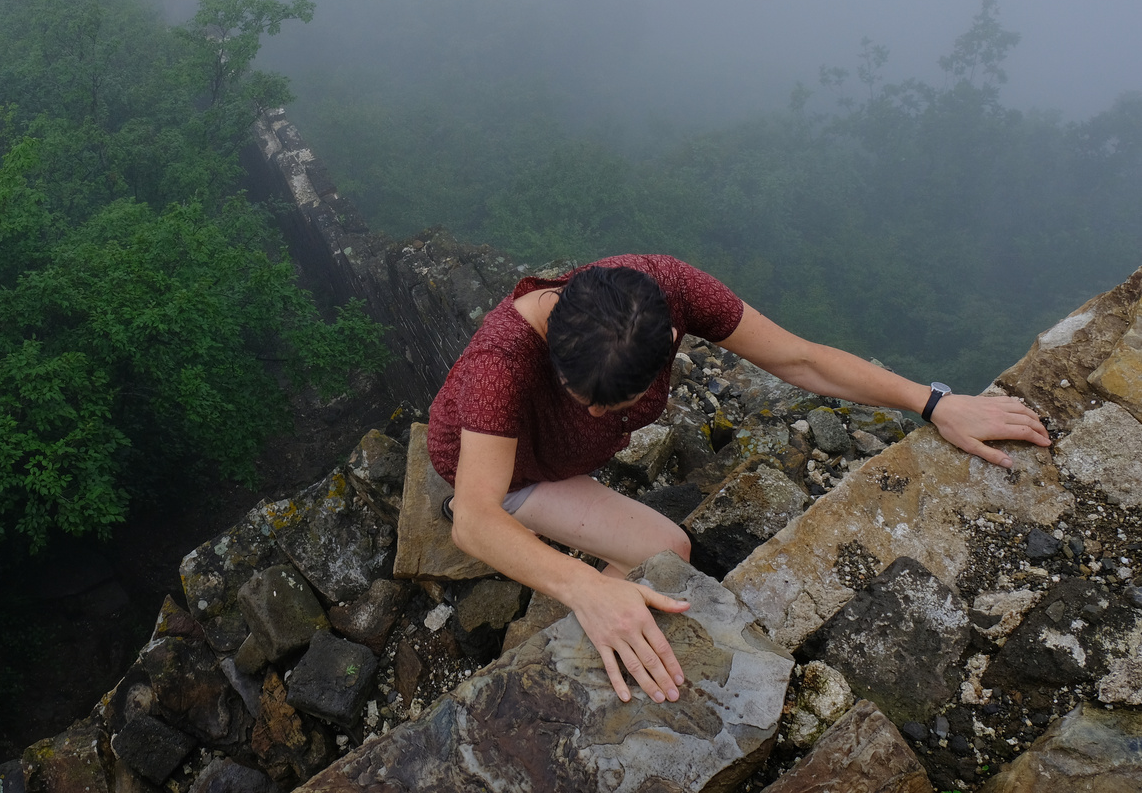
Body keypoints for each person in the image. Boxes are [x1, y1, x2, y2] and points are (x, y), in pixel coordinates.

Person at [428, 254, 1049, 707]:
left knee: (658, 565)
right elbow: (475, 517)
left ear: (671, 340)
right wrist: (584, 586)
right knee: (665, 552)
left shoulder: (668, 292)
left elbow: (799, 358)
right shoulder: (500, 364)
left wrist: (934, 403)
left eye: (616, 406)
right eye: (579, 397)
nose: (596, 416)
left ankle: (583, 622)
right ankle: (571, 641)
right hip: (504, 470)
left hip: (560, 460)